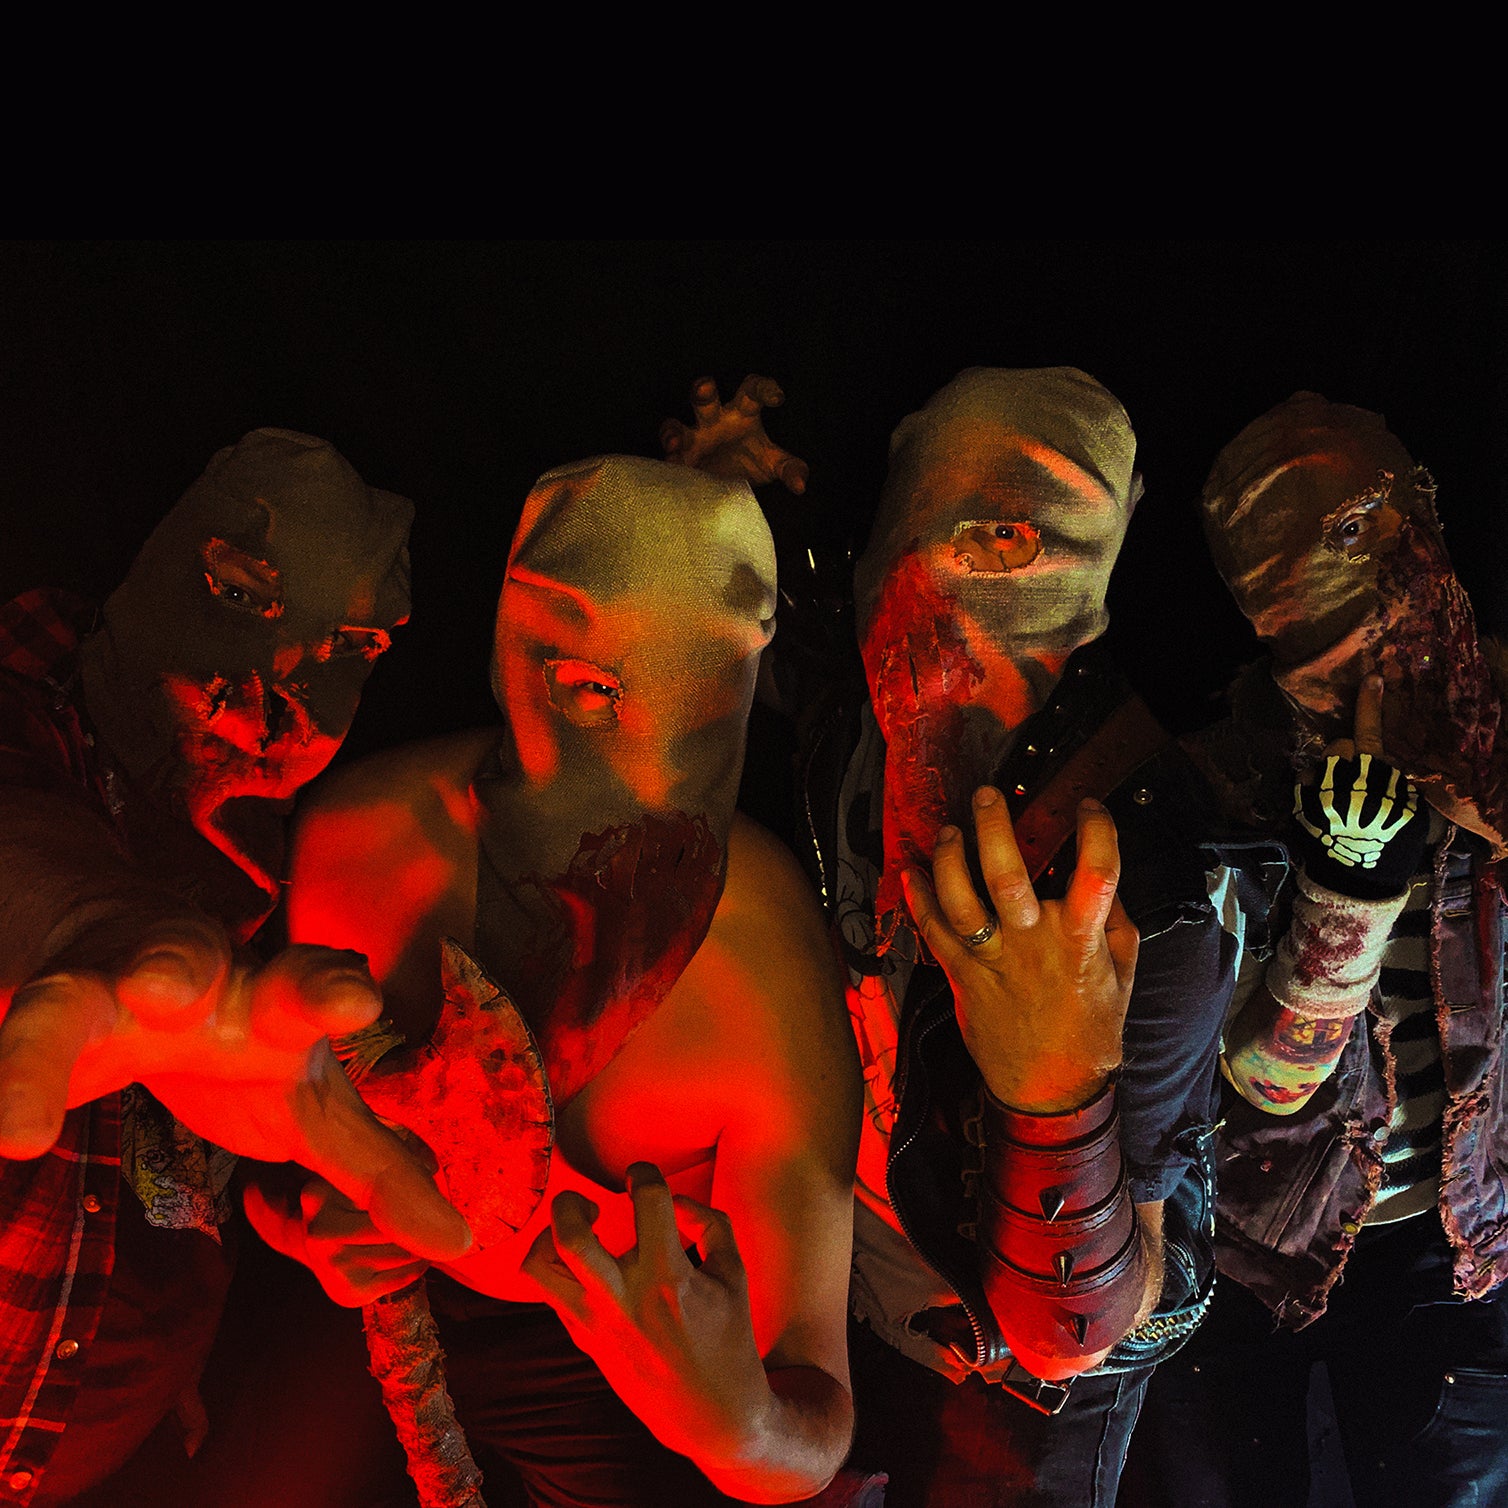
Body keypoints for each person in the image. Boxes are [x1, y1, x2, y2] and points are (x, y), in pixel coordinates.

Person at [255, 454, 861, 1505]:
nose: (648, 763)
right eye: (594, 689)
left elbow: (816, 1397)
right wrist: (310, 1222)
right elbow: (266, 1120)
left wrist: (743, 1426)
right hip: (375, 1346)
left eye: (700, 697)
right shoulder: (357, 839)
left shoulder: (759, 961)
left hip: (617, 1396)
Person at [787, 367, 1239, 1507]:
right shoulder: (851, 716)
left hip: (1019, 1398)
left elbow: (1081, 1329)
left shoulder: (1132, 872)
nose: (960, 649)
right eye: (948, 544)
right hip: (848, 1299)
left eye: (1028, 554)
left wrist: (1053, 1095)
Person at [0, 429, 469, 1507]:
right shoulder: (30, 726)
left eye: (352, 645)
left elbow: (208, 1120)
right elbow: (23, 852)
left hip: (112, 1450)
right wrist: (93, 926)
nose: (276, 693)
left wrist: (285, 1220)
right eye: (242, 596)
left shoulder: (255, 851)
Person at [1124, 393, 1508, 1508]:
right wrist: (1348, 897)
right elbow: (1256, 1078)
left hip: (1458, 1247)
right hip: (1253, 1254)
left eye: (1392, 546)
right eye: (1323, 646)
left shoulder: (1493, 716)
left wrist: (1485, 794)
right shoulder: (1225, 780)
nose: (1373, 672)